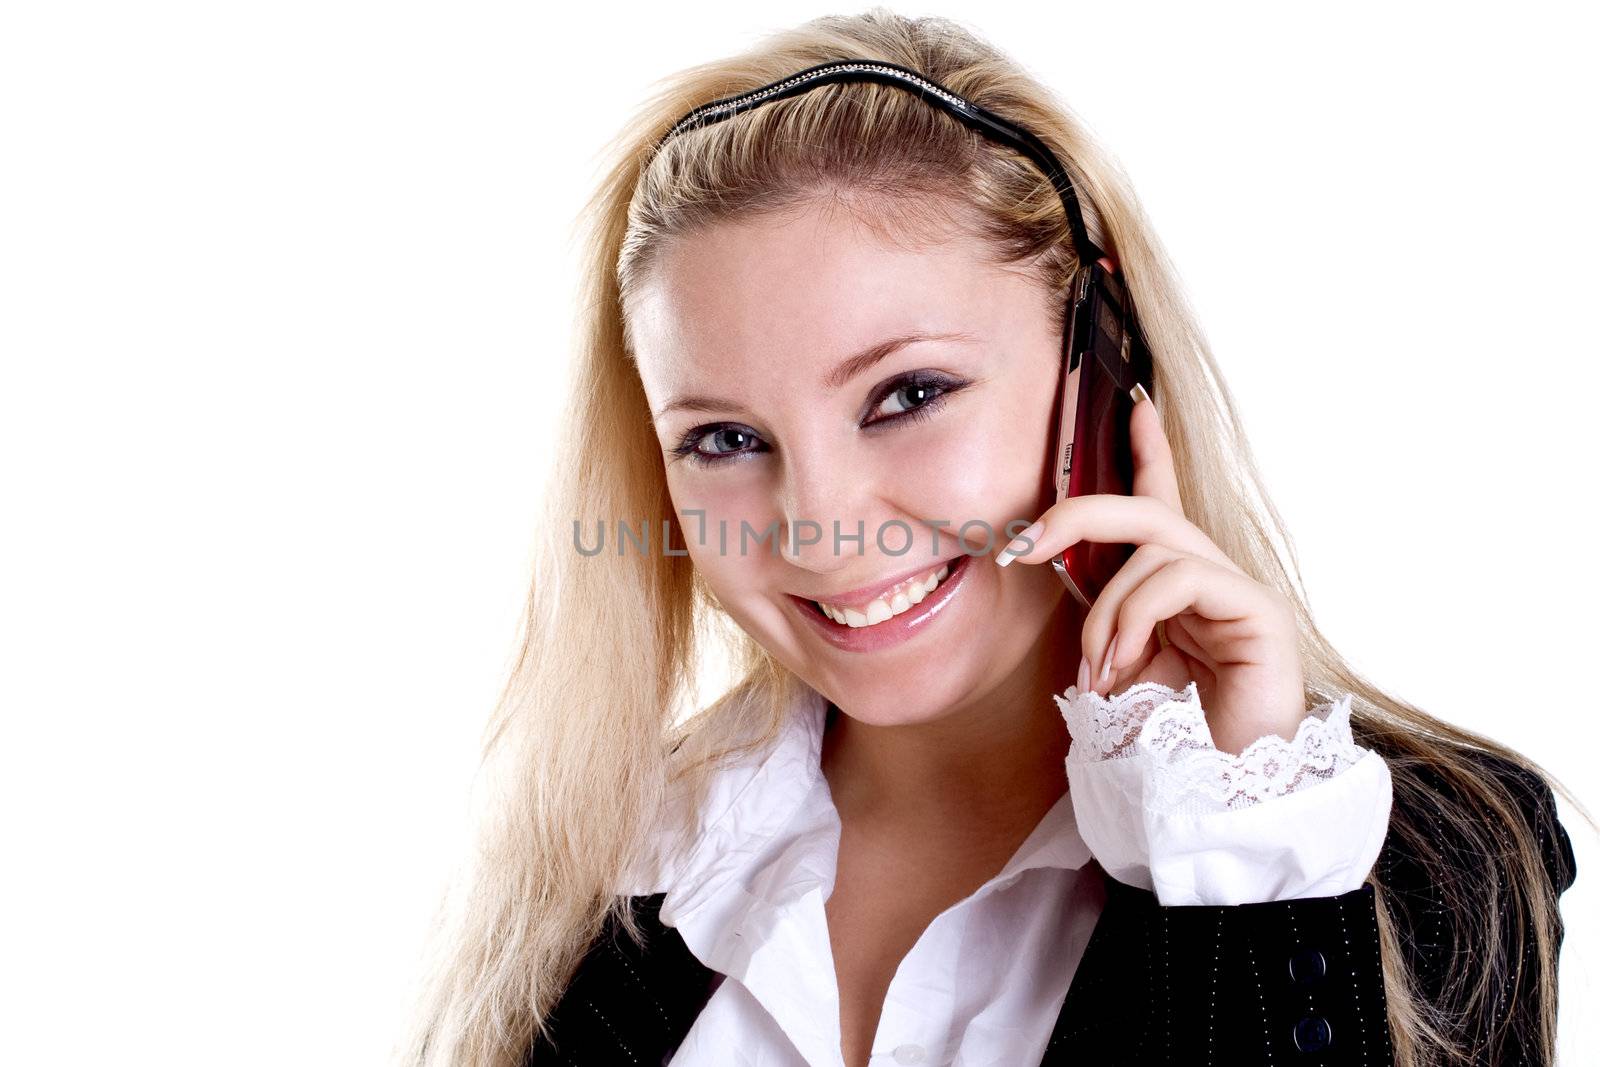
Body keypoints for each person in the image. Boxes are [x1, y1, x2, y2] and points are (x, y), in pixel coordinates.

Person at [397, 9, 1577, 1066]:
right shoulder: (601, 867)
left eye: (907, 394)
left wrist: (1229, 846)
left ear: (1099, 350)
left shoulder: (1414, 858)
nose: (820, 526)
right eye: (722, 439)